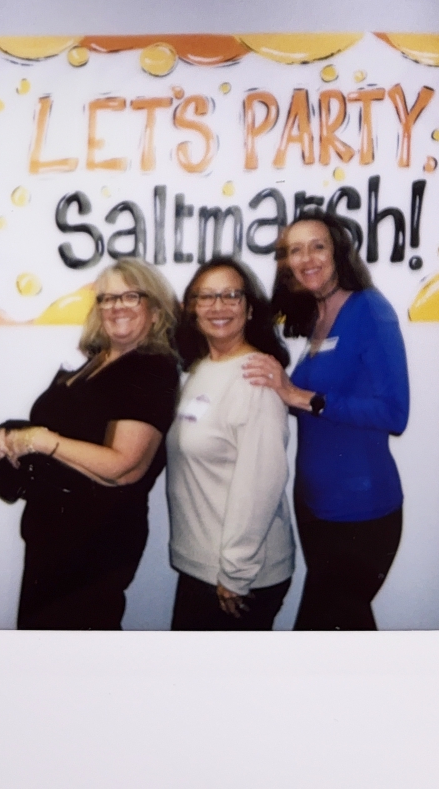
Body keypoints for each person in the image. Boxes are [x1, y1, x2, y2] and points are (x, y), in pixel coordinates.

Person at [0, 258, 179, 630]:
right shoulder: (96, 361)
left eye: (131, 296)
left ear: (155, 311)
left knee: (76, 649)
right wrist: (9, 436)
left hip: (95, 544)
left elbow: (123, 466)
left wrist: (41, 441)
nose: (116, 306)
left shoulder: (151, 369)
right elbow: (63, 427)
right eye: (107, 298)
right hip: (52, 536)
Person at [243, 210, 409, 631]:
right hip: (314, 505)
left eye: (317, 246)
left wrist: (300, 396)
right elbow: (311, 403)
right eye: (295, 250)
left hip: (360, 510)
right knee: (344, 632)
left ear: (339, 252)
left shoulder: (370, 309)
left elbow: (394, 413)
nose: (306, 258)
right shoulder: (317, 318)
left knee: (322, 633)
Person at [166, 256, 295, 631]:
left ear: (250, 308)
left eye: (231, 295)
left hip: (238, 575)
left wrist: (236, 573)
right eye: (206, 296)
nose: (217, 306)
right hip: (205, 566)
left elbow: (261, 481)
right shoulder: (200, 368)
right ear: (192, 309)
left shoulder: (255, 377)